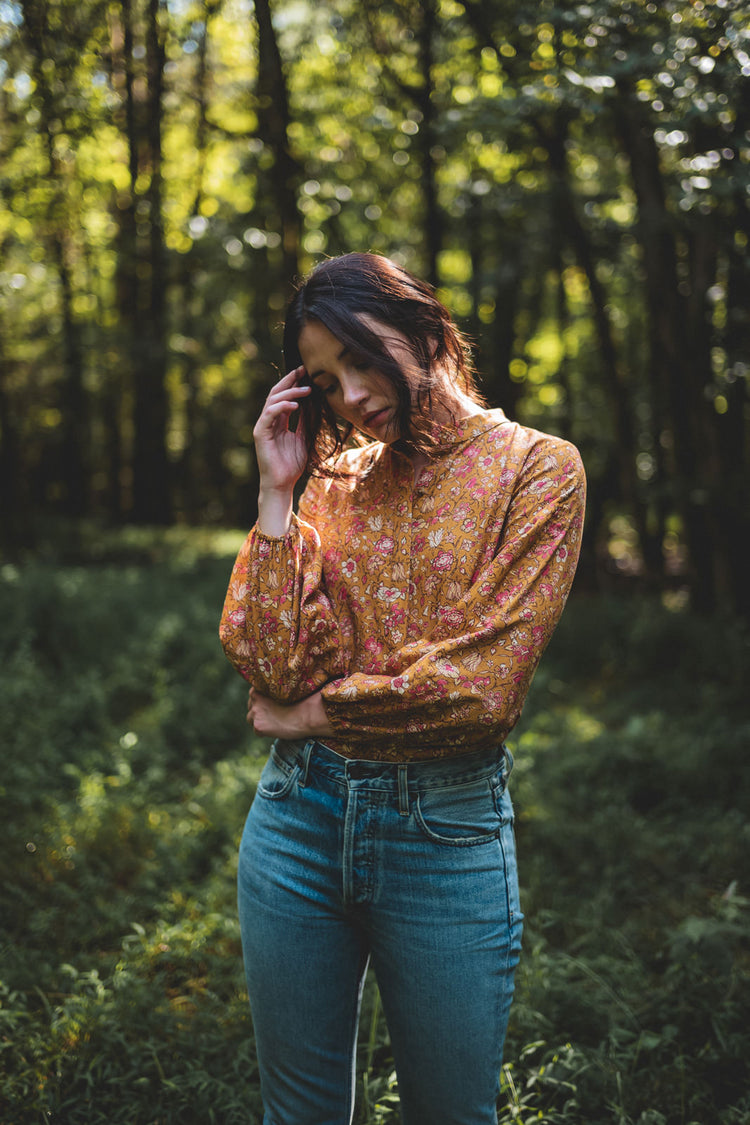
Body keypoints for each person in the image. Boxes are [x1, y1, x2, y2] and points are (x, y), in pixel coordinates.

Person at [219, 252, 586, 1125]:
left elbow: (480, 687)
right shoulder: (337, 480)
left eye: (359, 356)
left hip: (443, 834)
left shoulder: (537, 470)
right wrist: (277, 491)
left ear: (423, 328)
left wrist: (314, 711)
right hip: (296, 819)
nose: (348, 394)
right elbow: (270, 664)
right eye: (322, 378)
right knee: (298, 1115)